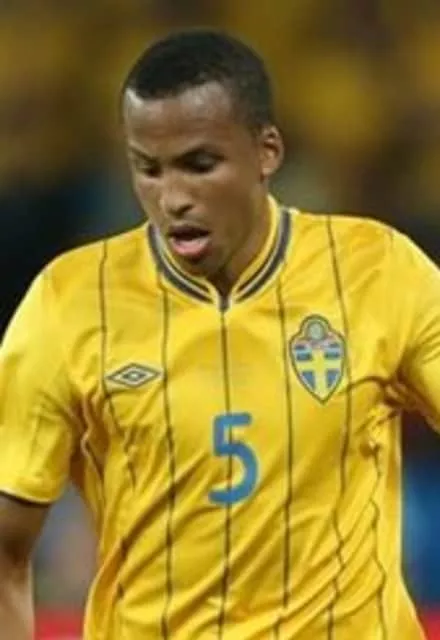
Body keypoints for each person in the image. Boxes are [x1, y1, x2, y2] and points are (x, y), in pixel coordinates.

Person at [0, 28, 437, 640]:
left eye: (199, 165)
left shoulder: (380, 272)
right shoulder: (68, 302)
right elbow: (6, 548)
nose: (172, 197)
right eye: (148, 169)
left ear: (267, 151)